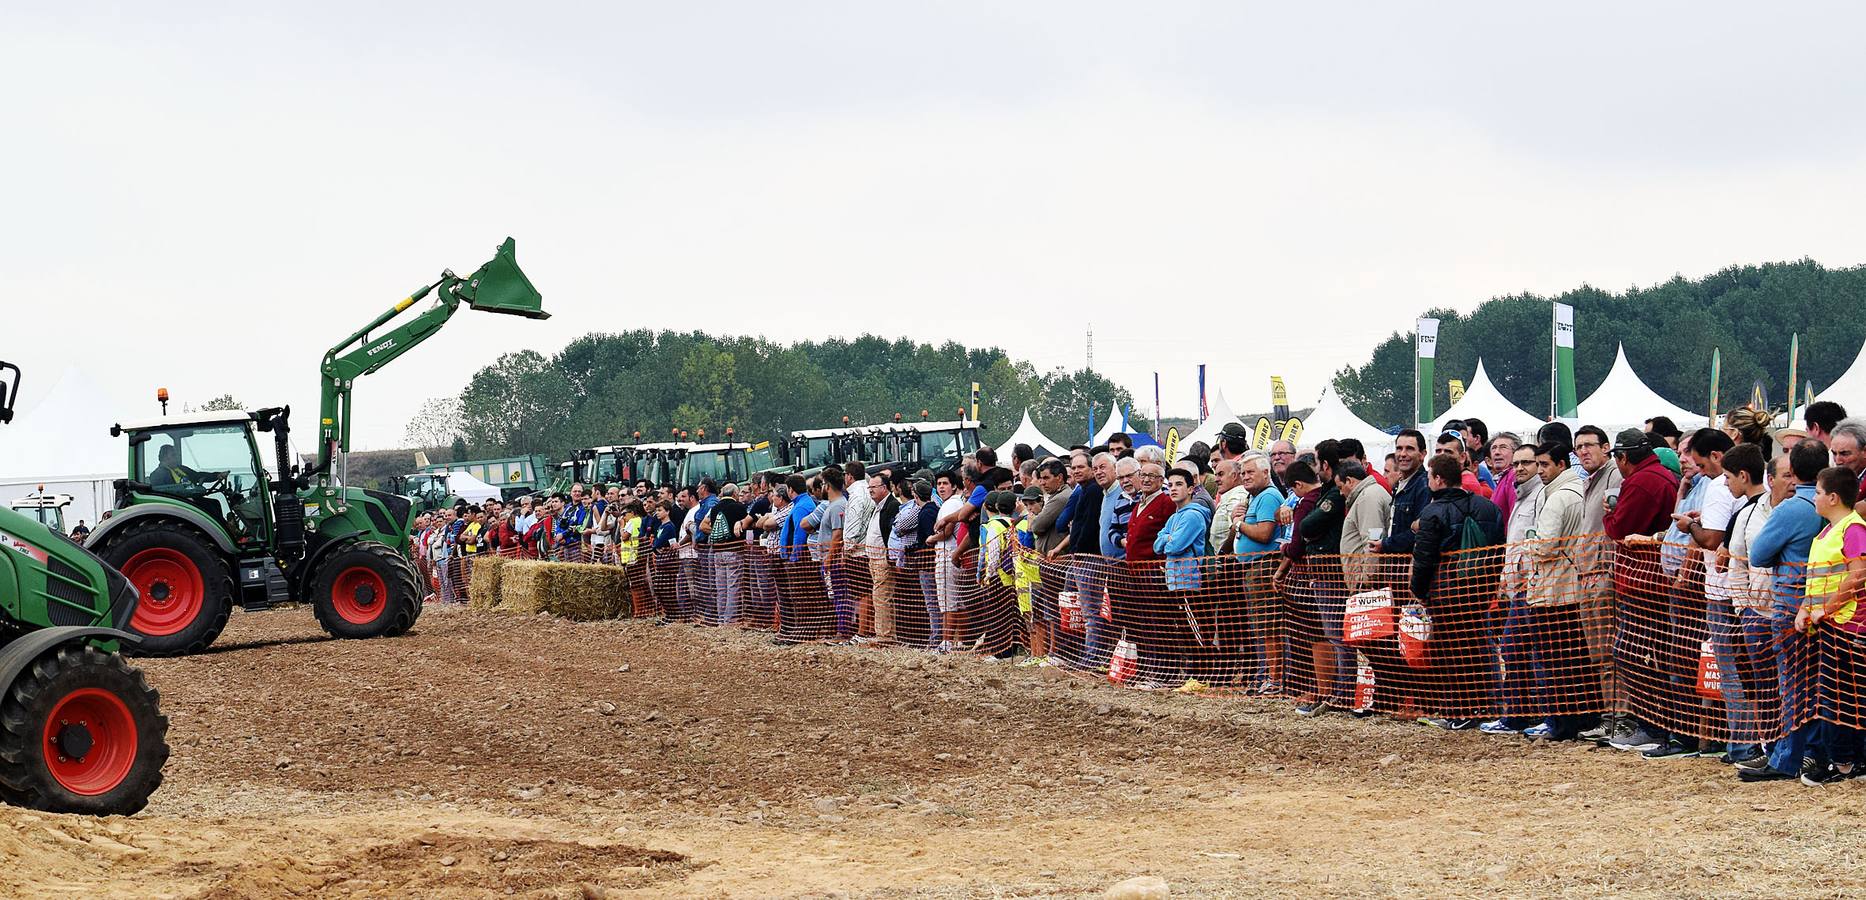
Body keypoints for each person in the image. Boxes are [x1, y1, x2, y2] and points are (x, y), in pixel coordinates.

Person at [1738, 442, 1842, 781]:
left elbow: (1759, 555)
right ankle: (1813, 755)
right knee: (1819, 684)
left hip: (1790, 606)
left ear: (1794, 473)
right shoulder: (1840, 507)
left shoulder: (1791, 508)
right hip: (1831, 606)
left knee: (1792, 684)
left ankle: (1786, 759)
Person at [1408, 453, 1504, 729]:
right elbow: (1498, 551)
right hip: (1479, 590)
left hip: (1446, 591)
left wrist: (1419, 591)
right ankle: (1491, 706)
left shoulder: (1433, 512)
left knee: (1451, 652)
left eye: (1429, 476)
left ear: (1438, 479)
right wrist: (1490, 586)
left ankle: (1460, 711)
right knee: (1482, 647)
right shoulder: (1488, 508)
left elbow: (1424, 558)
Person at [1787, 466, 1866, 785]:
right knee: (1832, 697)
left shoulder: (1853, 528)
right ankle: (1843, 761)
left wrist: (1827, 609)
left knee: (1845, 698)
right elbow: (1815, 582)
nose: (1813, 497)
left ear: (1833, 497)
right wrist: (1805, 610)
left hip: (1850, 627)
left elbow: (1859, 574)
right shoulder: (1824, 534)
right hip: (1829, 628)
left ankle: (1847, 763)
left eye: (1818, 492)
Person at [1710, 442, 1774, 766]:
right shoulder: (1771, 506)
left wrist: (1742, 609)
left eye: (1728, 477)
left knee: (1753, 682)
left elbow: (1727, 564)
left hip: (1749, 609)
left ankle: (1757, 746)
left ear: (1744, 475)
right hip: (1763, 607)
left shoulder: (1745, 514)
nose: (1726, 483)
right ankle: (1763, 746)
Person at [1152, 467, 1213, 687]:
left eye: (1179, 484)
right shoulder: (1174, 517)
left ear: (1191, 488)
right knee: (1184, 630)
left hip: (1189, 581)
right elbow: (1158, 545)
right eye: (1170, 485)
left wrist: (1168, 539)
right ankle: (1193, 675)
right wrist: (1168, 539)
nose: (1173, 489)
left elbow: (1175, 546)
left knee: (1196, 628)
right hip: (1174, 581)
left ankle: (1204, 675)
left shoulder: (1193, 515)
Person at [1382, 430, 1430, 556]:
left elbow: (1419, 533)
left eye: (1409, 449)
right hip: (1394, 566)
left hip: (1411, 566)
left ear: (1422, 454)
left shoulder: (1424, 486)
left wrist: (1385, 545)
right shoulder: (1399, 484)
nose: (1403, 454)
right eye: (1399, 448)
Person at [147, 444, 222, 488]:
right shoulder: (157, 475)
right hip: (179, 504)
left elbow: (197, 475)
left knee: (214, 503)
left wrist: (217, 475)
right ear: (164, 458)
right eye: (173, 455)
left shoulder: (181, 469)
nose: (176, 457)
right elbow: (165, 495)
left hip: (192, 500)